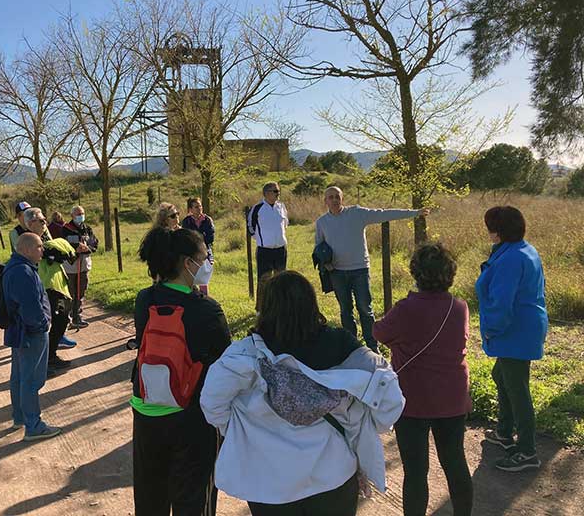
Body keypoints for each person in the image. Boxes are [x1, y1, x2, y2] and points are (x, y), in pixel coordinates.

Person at [200, 271, 404, 516]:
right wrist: (365, 426)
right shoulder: (342, 345)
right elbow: (390, 397)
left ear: (265, 309)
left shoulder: (246, 354)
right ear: (311, 303)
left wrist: (244, 430)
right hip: (334, 476)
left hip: (269, 485)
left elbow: (212, 403)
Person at [132, 227, 231, 516]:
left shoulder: (144, 300)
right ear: (188, 263)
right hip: (191, 415)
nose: (208, 262)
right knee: (193, 498)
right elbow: (226, 366)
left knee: (151, 496)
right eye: (205, 257)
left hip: (146, 408)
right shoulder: (208, 310)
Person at [373, 244, 473, 516]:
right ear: (449, 274)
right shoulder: (459, 307)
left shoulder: (405, 308)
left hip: (413, 399)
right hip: (452, 397)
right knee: (455, 462)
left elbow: (379, 333)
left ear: (416, 272)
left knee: (416, 471)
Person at [475, 206, 548, 472]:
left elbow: (502, 303)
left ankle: (527, 450)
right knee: (501, 376)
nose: (488, 232)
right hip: (525, 325)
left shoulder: (509, 259)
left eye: (489, 227)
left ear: (498, 230)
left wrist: (491, 329)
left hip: (514, 329)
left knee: (518, 390)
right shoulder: (523, 249)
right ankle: (504, 432)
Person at [315, 186, 430, 351]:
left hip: (360, 269)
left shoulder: (357, 213)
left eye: (337, 197)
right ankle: (352, 347)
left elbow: (383, 213)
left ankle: (372, 346)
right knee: (346, 310)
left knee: (365, 309)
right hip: (337, 272)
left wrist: (415, 212)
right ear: (325, 201)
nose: (334, 200)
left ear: (342, 198)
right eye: (330, 197)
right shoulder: (321, 222)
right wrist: (325, 263)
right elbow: (319, 246)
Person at [3, 233, 62, 441]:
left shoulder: (16, 267)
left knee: (19, 376)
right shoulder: (23, 272)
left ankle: (20, 417)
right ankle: (34, 426)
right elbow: (30, 307)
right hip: (31, 333)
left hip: (20, 331)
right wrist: (43, 325)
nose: (42, 251)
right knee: (31, 379)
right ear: (27, 249)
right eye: (39, 247)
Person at [23, 208, 79, 374]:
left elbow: (62, 251)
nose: (44, 223)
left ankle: (51, 356)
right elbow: (53, 251)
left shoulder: (45, 236)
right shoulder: (28, 241)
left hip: (58, 285)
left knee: (61, 321)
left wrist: (61, 249)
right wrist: (56, 250)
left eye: (44, 219)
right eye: (41, 220)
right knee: (49, 324)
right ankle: (44, 362)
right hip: (45, 286)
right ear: (31, 223)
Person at [61, 205, 99, 329]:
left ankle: (77, 316)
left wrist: (88, 248)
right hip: (71, 267)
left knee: (81, 292)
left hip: (84, 266)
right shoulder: (66, 229)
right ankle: (67, 318)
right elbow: (63, 246)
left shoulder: (87, 229)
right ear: (72, 216)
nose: (80, 216)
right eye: (77, 214)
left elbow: (94, 243)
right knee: (70, 293)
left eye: (82, 213)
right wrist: (75, 249)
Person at [247, 181, 289, 281]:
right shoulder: (257, 208)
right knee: (264, 281)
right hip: (264, 251)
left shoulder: (281, 206)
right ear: (266, 193)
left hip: (280, 250)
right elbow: (250, 227)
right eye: (275, 191)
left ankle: (279, 297)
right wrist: (263, 240)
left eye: (279, 191)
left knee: (281, 280)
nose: (278, 193)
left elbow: (285, 224)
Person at [182, 197, 216, 294]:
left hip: (205, 252)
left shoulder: (208, 220)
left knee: (203, 278)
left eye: (200, 206)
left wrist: (199, 240)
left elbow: (210, 238)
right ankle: (192, 298)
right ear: (190, 209)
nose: (199, 208)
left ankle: (204, 298)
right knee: (191, 277)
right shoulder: (186, 221)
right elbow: (186, 238)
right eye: (196, 207)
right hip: (191, 253)